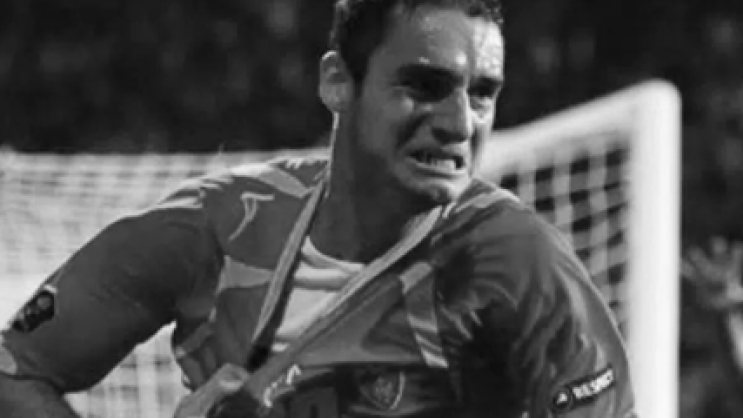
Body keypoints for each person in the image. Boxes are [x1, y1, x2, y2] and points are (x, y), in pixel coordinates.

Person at [0, 1, 638, 417]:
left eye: (483, 95)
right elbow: (14, 372)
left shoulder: (515, 257)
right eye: (424, 86)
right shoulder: (219, 224)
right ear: (337, 81)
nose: (459, 123)